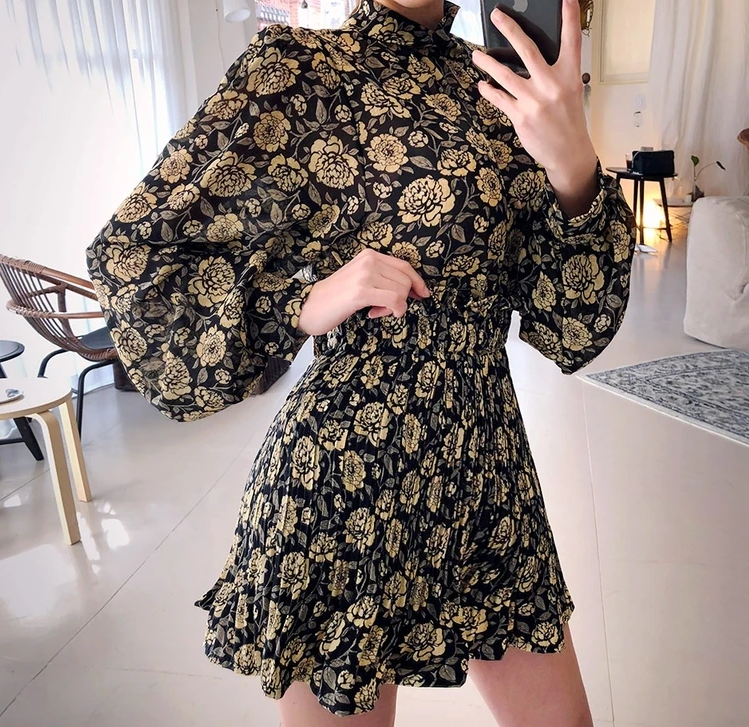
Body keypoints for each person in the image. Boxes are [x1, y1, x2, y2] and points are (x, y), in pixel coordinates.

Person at [86, 0, 636, 724]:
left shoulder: (499, 86)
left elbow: (570, 327)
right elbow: (132, 254)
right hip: (346, 481)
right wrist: (301, 301)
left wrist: (575, 168)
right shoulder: (299, 70)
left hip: (488, 476)